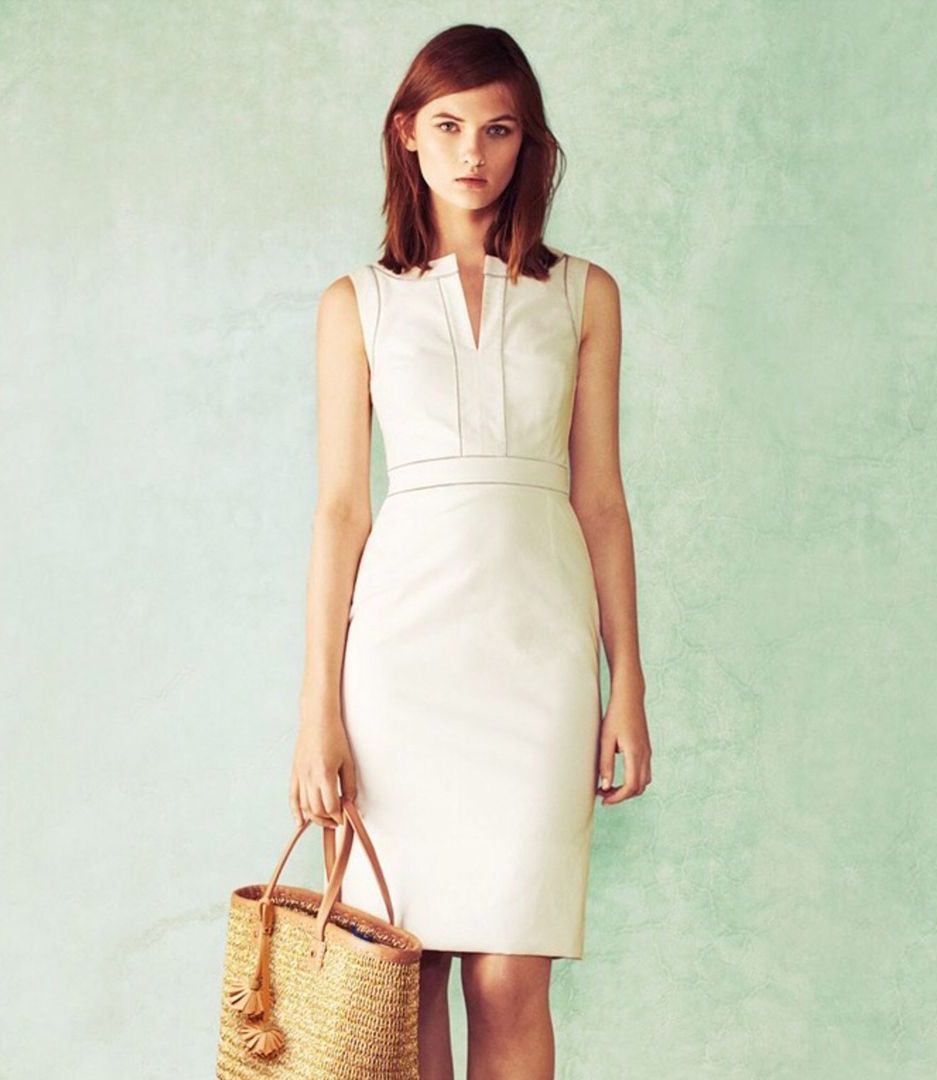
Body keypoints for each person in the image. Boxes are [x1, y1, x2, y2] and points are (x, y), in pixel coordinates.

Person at [289, 23, 652, 1080]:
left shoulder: (583, 294)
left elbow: (601, 500)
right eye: (448, 126)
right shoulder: (356, 303)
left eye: (498, 129)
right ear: (406, 134)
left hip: (538, 664)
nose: (472, 152)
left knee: (508, 981)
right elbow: (340, 511)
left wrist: (626, 682)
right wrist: (316, 712)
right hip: (398, 668)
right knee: (403, 981)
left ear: (527, 142)